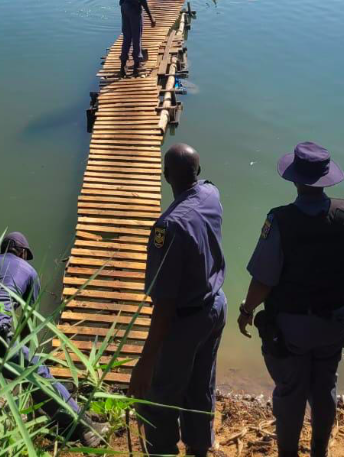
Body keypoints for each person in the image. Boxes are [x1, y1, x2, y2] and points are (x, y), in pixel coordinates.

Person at [237, 142, 344, 457]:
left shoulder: (280, 220)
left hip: (290, 328)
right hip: (333, 322)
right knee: (325, 388)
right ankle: (319, 452)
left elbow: (263, 281)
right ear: (325, 178)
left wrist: (246, 310)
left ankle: (287, 453)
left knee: (290, 391)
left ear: (295, 180)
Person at [128, 143, 227, 457]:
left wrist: (146, 362)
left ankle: (164, 452)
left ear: (165, 174)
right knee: (200, 388)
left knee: (159, 397)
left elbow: (165, 305)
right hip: (215, 306)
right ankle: (199, 449)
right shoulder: (212, 195)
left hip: (186, 320)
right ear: (197, 171)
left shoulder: (167, 228)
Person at [0, 232, 108, 447]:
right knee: (39, 375)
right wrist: (27, 357)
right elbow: (27, 323)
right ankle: (85, 427)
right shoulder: (29, 271)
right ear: (23, 252)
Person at [119, 0, 156, 78]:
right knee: (136, 37)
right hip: (134, 9)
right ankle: (136, 67)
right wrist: (151, 16)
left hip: (124, 7)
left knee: (126, 37)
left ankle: (122, 67)